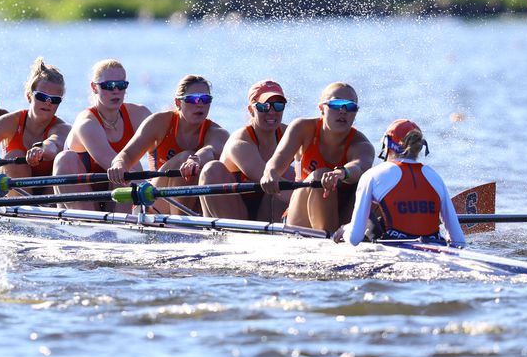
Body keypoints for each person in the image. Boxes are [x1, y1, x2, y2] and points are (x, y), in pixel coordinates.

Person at [260, 81, 374, 234]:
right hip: (302, 214)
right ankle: (330, 239)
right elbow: (278, 160)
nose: (343, 111)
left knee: (370, 188)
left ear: (356, 113)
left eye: (350, 106)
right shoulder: (302, 128)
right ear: (321, 108)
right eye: (336, 103)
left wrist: (342, 173)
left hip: (342, 215)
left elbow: (359, 167)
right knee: (320, 177)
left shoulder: (362, 145)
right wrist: (270, 173)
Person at [107, 74, 229, 213]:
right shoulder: (159, 123)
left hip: (195, 205)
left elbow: (209, 149)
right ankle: (181, 225)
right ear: (178, 103)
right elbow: (126, 155)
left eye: (206, 99)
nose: (200, 103)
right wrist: (119, 165)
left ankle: (185, 224)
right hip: (155, 201)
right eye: (192, 99)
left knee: (198, 163)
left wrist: (195, 159)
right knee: (185, 157)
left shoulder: (218, 133)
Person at [335, 119, 466, 247]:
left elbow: (354, 239)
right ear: (419, 147)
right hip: (435, 246)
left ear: (387, 145)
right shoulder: (435, 177)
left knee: (370, 217)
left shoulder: (372, 175)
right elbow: (458, 241)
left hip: (395, 248)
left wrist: (345, 230)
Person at [0, 58, 70, 192]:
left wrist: (41, 149)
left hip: (46, 193)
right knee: (15, 157)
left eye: (55, 100)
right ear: (29, 96)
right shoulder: (11, 122)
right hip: (13, 193)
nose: (48, 103)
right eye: (42, 97)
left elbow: (53, 145)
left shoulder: (63, 128)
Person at [52, 60, 153, 211]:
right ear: (94, 87)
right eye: (108, 86)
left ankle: (124, 226)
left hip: (115, 193)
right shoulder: (87, 123)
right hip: (81, 198)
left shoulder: (139, 114)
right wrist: (151, 188)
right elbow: (114, 164)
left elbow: (166, 142)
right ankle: (89, 228)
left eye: (121, 85)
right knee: (67, 159)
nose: (116, 91)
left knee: (129, 167)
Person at [198, 79, 292, 222]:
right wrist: (309, 196)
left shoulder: (289, 134)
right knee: (212, 169)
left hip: (267, 209)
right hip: (233, 212)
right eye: (263, 106)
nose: (272, 112)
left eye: (278, 105)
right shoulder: (240, 143)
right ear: (251, 110)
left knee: (291, 172)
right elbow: (270, 180)